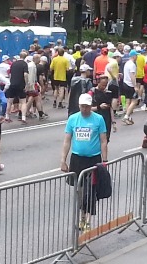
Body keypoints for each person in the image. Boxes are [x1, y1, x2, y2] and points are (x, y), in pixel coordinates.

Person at [60, 93, 108, 231]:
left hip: (93, 159)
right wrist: (63, 160)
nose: (85, 109)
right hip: (77, 160)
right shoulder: (73, 119)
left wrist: (104, 160)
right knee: (80, 191)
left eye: (87, 106)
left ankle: (87, 220)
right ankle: (81, 216)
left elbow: (103, 141)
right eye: (82, 106)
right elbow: (67, 140)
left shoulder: (98, 119)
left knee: (90, 191)